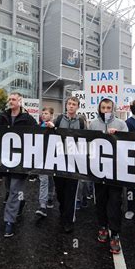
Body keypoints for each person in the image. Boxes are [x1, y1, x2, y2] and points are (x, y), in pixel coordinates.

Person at [0, 92, 37, 237]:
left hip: (21, 162)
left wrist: (50, 128)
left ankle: (9, 221)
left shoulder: (27, 119)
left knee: (15, 189)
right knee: (10, 188)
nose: (11, 101)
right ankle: (20, 203)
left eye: (14, 99)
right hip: (6, 161)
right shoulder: (3, 117)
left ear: (20, 101)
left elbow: (38, 133)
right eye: (9, 99)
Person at [88, 98, 128, 254]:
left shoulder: (121, 124)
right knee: (101, 200)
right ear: (99, 108)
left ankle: (115, 233)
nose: (106, 110)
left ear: (113, 108)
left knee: (115, 201)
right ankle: (103, 226)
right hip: (99, 170)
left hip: (116, 171)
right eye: (103, 107)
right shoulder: (93, 123)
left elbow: (129, 142)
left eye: (109, 107)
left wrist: (118, 135)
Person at [46, 96, 86, 233]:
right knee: (60, 191)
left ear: (77, 107)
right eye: (69, 103)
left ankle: (68, 221)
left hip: (73, 162)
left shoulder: (81, 122)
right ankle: (63, 210)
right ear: (66, 105)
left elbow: (85, 139)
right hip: (59, 160)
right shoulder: (59, 119)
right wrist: (52, 127)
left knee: (71, 191)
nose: (71, 106)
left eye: (74, 104)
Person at [35, 107, 56, 218]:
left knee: (50, 178)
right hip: (41, 157)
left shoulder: (55, 126)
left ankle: (50, 197)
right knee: (43, 180)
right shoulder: (39, 127)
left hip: (52, 157)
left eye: (46, 113)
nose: (43, 115)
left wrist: (54, 128)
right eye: (42, 113)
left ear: (51, 115)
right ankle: (42, 205)